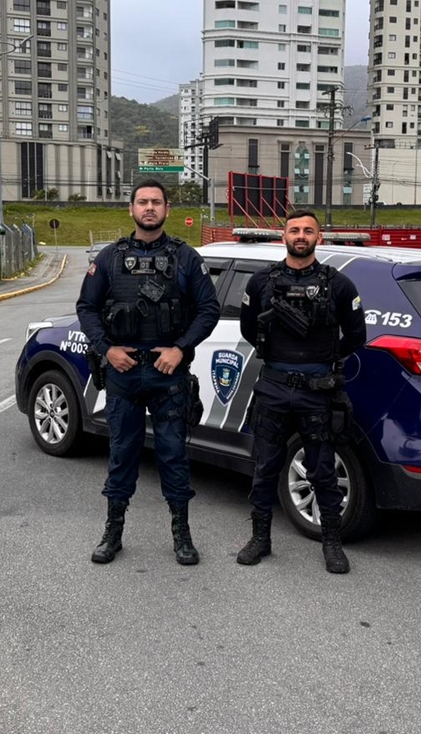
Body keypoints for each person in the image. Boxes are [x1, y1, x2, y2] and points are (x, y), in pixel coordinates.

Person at [76, 178, 221, 566]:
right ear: (131, 209)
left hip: (167, 374)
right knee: (121, 454)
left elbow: (209, 309)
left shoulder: (186, 257)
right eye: (143, 202)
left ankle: (182, 535)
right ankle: (113, 532)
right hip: (123, 374)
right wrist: (107, 350)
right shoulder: (108, 258)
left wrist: (181, 348)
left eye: (157, 202)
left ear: (167, 210)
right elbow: (86, 308)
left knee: (173, 456)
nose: (150, 208)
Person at [236, 209, 366, 573]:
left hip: (318, 393)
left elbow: (357, 336)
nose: (301, 235)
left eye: (308, 230)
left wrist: (325, 358)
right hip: (274, 388)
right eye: (294, 230)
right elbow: (250, 330)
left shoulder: (340, 285)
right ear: (284, 237)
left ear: (318, 238)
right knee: (264, 468)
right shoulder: (260, 282)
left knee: (323, 471)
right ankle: (260, 539)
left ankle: (332, 543)